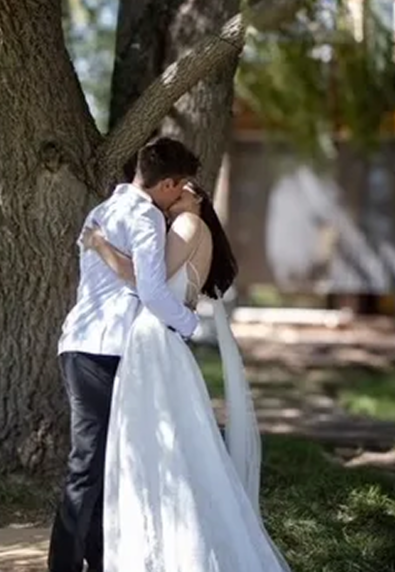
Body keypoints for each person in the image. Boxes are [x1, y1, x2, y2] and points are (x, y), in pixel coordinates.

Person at [83, 182, 292, 571]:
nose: (170, 199)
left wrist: (100, 244)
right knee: (168, 442)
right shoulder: (196, 229)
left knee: (155, 444)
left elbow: (148, 283)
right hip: (163, 343)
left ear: (196, 197)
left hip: (153, 343)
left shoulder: (189, 225)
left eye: (179, 193)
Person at [48, 137, 201, 572]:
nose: (179, 196)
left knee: (100, 464)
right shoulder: (145, 215)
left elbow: (127, 278)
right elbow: (150, 289)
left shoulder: (103, 210)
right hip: (105, 350)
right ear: (167, 183)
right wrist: (190, 325)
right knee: (89, 465)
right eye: (180, 186)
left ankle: (97, 562)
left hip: (79, 344)